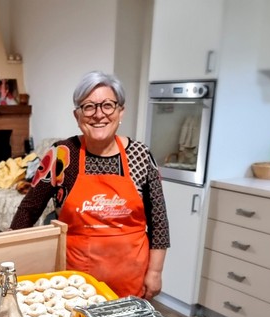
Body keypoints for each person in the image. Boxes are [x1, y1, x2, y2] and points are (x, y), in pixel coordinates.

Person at [10, 71, 169, 299]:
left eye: (108, 105)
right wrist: (9, 256)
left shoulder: (141, 155)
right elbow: (29, 209)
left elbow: (159, 222)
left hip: (130, 281)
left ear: (120, 111)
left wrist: (155, 272)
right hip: (73, 285)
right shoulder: (62, 154)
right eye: (88, 107)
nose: (98, 114)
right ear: (77, 115)